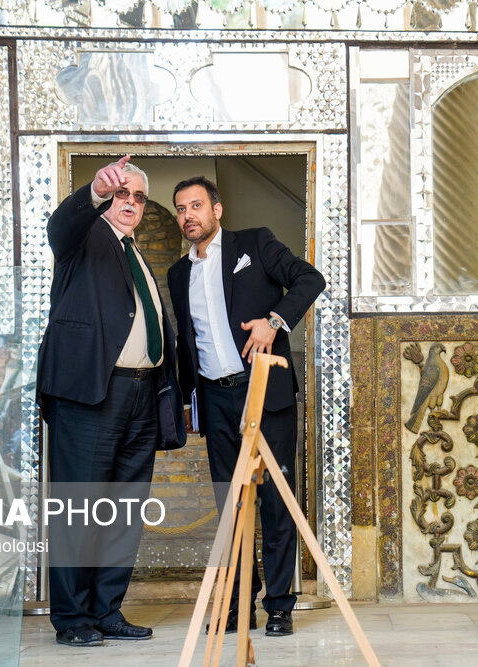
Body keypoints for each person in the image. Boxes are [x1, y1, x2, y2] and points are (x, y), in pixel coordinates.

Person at [167, 176, 324, 637]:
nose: (189, 215)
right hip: (214, 399)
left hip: (264, 391)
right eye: (181, 208)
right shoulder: (178, 274)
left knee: (275, 501)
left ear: (217, 210)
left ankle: (278, 606)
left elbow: (310, 279)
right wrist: (189, 400)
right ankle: (239, 605)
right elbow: (187, 343)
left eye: (197, 205)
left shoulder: (254, 244)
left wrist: (275, 321)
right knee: (230, 505)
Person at [36, 156, 181, 647]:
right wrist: (95, 190)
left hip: (141, 393)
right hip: (91, 390)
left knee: (124, 511)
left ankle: (106, 610)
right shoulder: (84, 238)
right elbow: (61, 226)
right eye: (122, 194)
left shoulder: (133, 252)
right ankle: (72, 618)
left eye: (139, 197)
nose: (131, 203)